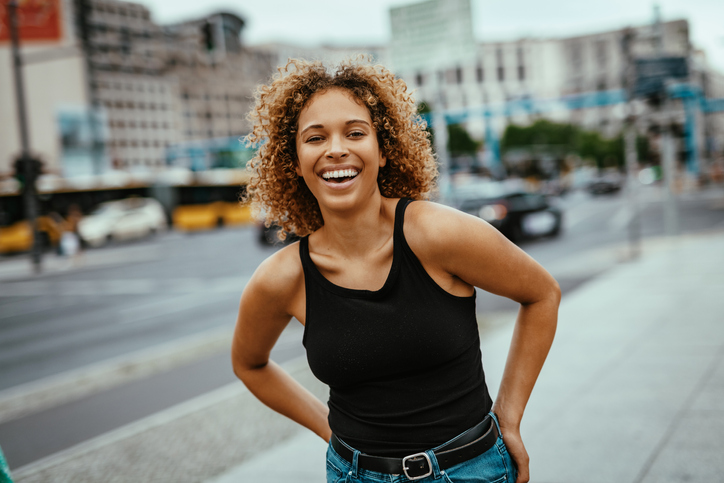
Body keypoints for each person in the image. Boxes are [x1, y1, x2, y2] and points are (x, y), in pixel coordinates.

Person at [231, 58, 560, 483]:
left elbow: (541, 293)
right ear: (293, 160)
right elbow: (249, 364)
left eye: (355, 133)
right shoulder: (282, 278)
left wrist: (509, 418)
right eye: (315, 138)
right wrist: (328, 431)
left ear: (383, 150)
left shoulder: (436, 234)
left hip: (473, 469)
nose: (336, 149)